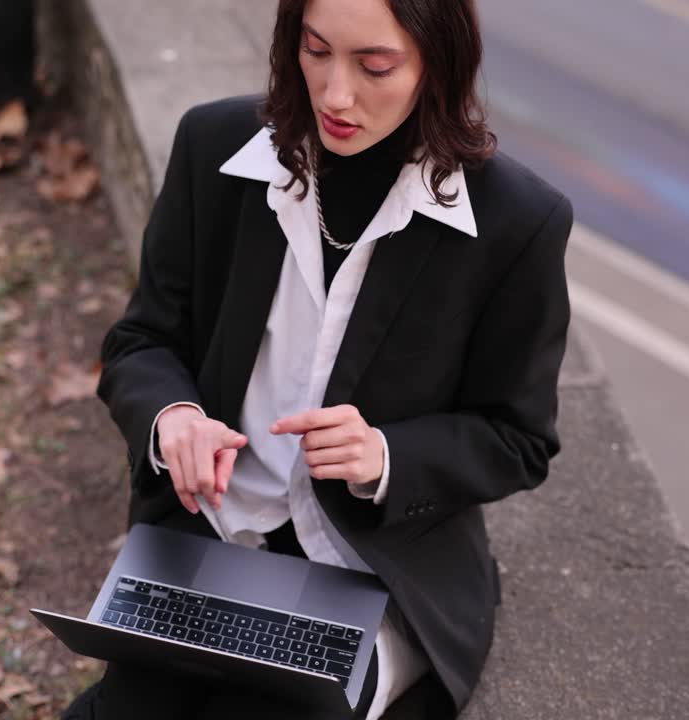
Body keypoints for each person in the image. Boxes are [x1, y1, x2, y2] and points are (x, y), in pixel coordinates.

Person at [65, 0, 572, 717]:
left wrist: (385, 456)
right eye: (315, 50)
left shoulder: (517, 221)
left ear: (439, 62)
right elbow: (141, 341)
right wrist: (173, 416)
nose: (335, 95)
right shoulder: (213, 145)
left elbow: (519, 439)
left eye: (375, 66)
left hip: (376, 569)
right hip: (216, 534)